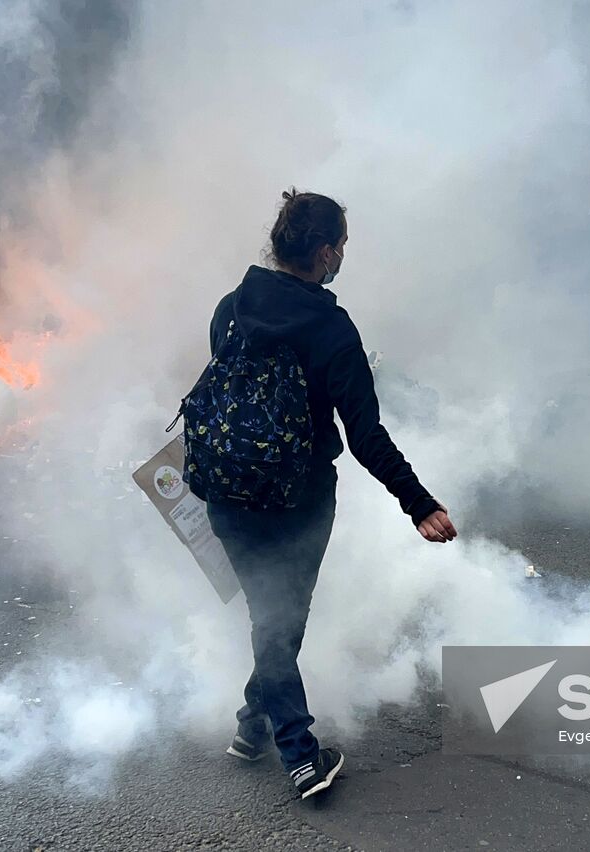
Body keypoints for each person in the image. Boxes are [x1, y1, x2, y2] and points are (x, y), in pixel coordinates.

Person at [204, 188, 457, 800]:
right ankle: (300, 755)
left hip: (225, 494)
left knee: (273, 617)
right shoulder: (332, 328)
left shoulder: (231, 306)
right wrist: (419, 503)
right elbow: (365, 434)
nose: (343, 255)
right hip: (299, 500)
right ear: (323, 252)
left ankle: (250, 727)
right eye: (341, 245)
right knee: (278, 618)